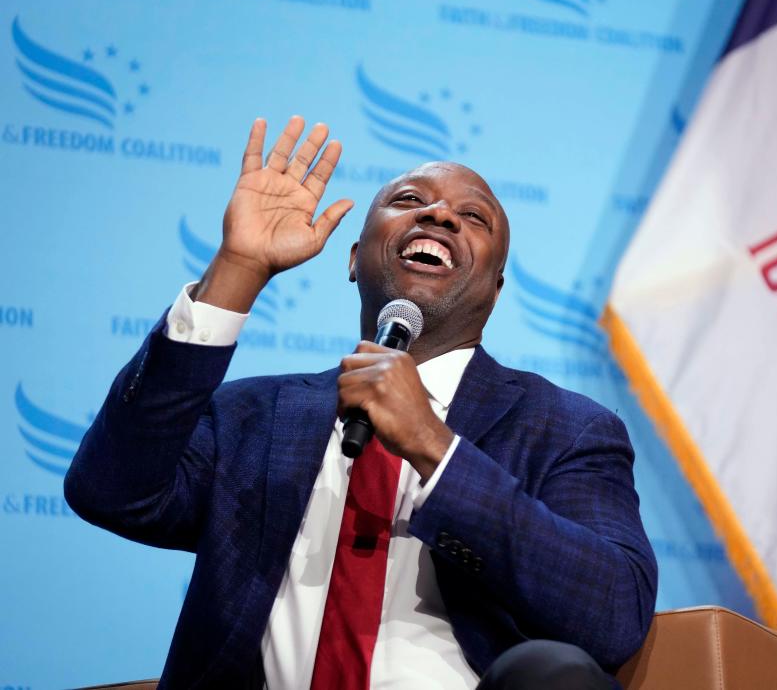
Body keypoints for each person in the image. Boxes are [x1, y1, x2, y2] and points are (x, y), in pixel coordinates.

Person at [65, 116, 658, 689]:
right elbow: (114, 491)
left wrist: (436, 449)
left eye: (473, 217)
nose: (439, 213)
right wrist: (237, 268)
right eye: (407, 201)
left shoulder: (567, 429)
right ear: (353, 259)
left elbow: (612, 614)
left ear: (495, 289)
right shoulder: (255, 417)